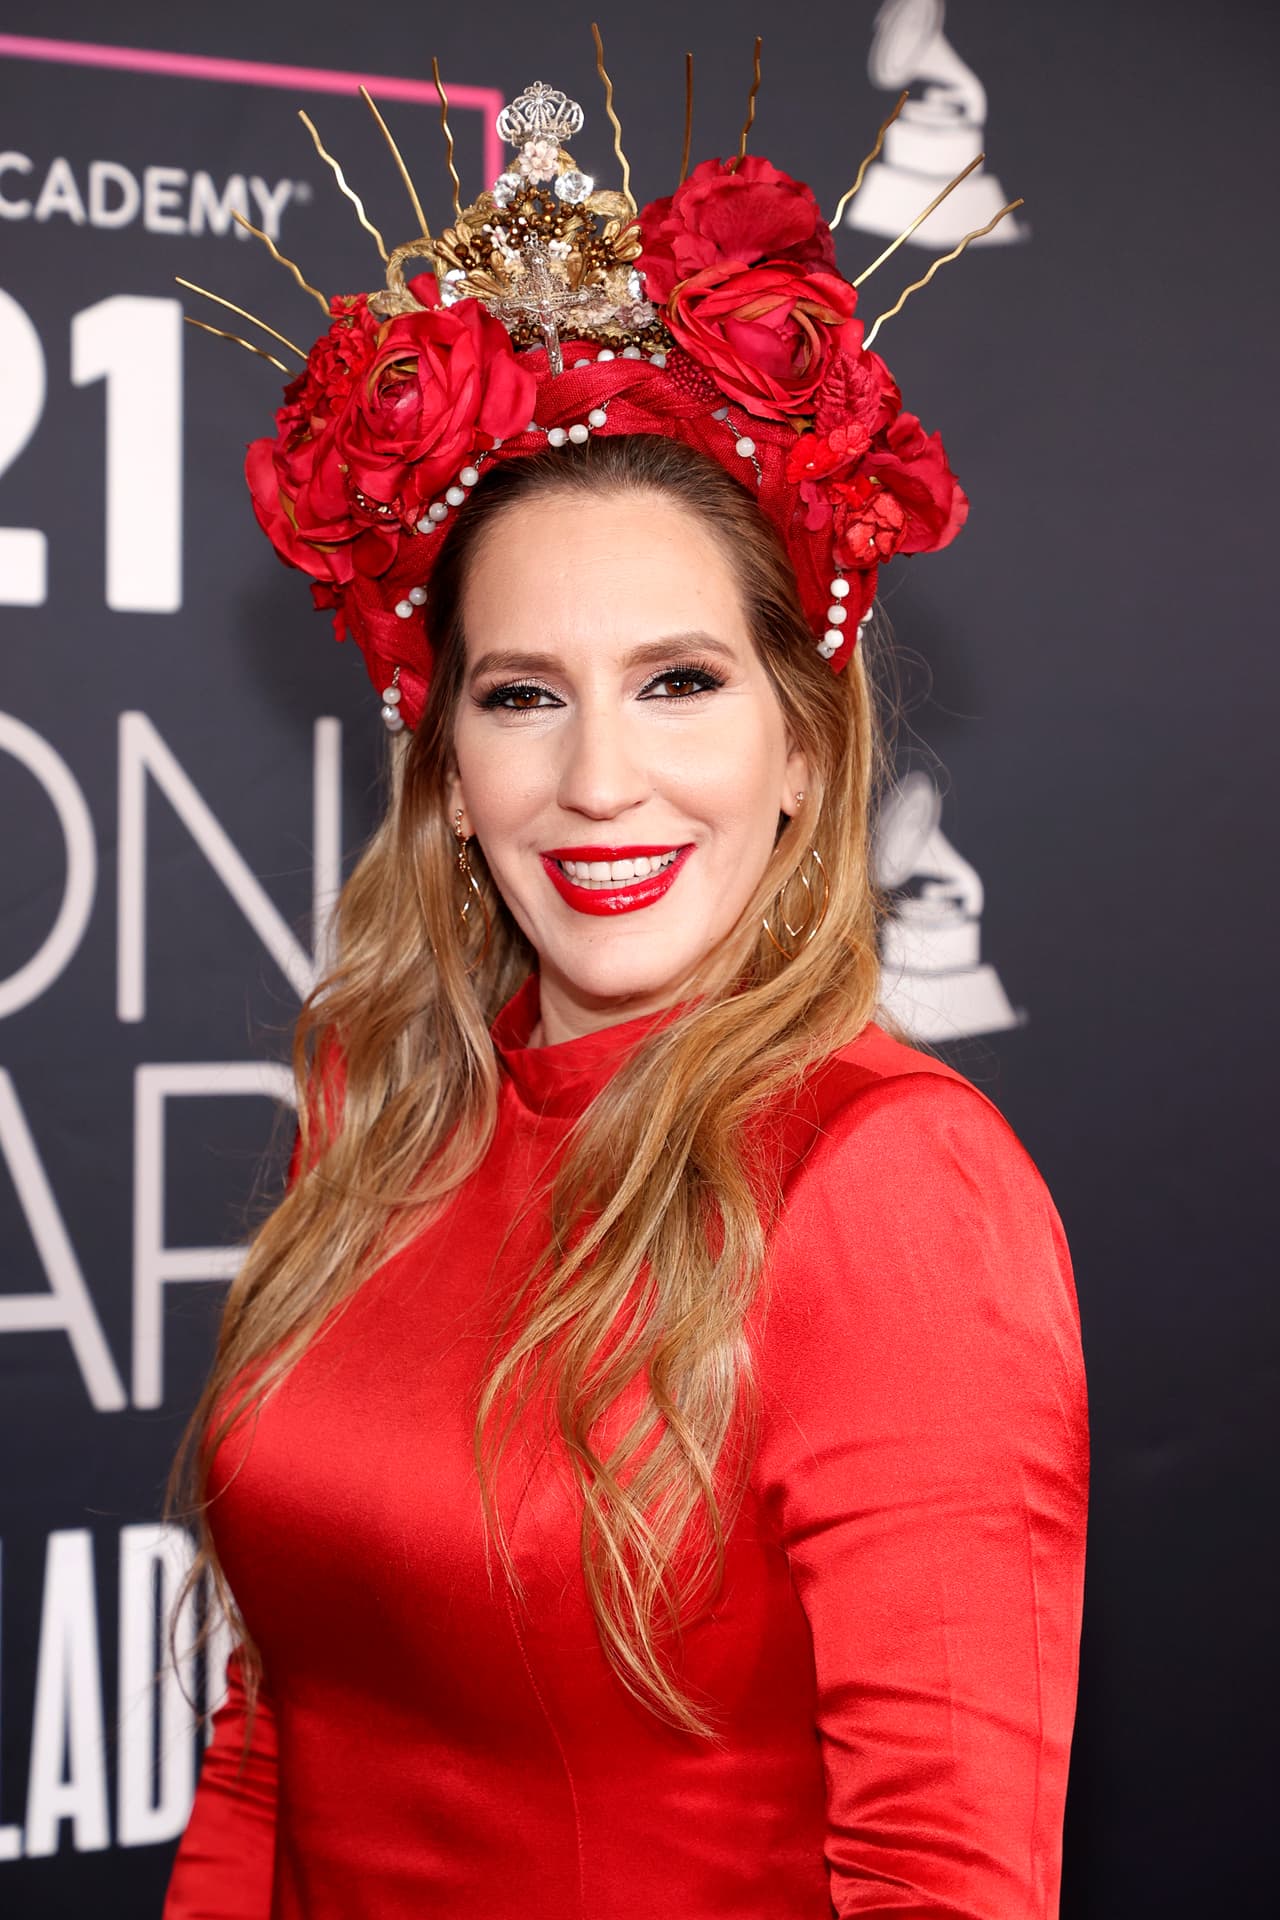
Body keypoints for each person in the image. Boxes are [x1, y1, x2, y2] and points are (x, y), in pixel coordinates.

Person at [164, 65, 1087, 1920]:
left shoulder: (885, 1188)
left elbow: (942, 1885)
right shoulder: (385, 1114)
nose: (598, 782)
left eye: (679, 683)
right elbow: (274, 1748)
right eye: (524, 693)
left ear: (807, 749)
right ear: (445, 761)